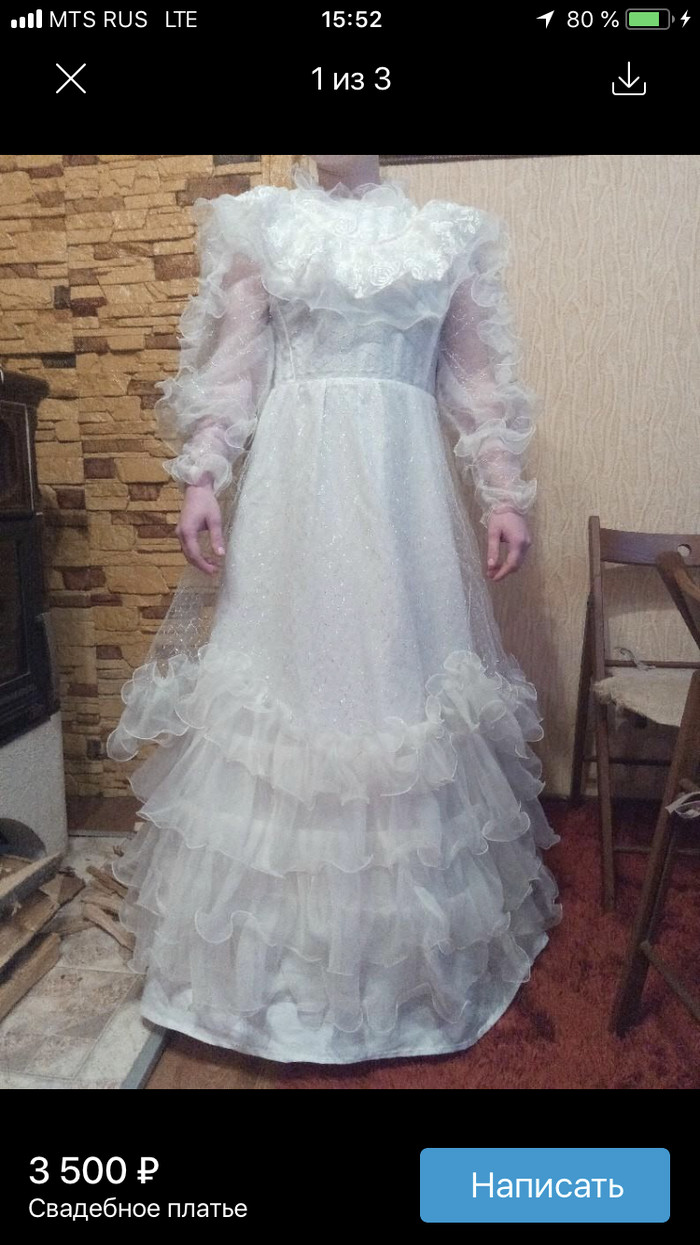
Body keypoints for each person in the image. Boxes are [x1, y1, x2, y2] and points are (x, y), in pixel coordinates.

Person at [106, 154, 562, 1064]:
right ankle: (268, 982)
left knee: (392, 690)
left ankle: (401, 978)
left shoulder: (445, 236)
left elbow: (475, 383)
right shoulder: (265, 225)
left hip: (402, 506)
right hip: (295, 503)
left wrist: (503, 491)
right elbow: (235, 370)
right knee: (289, 691)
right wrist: (203, 474)